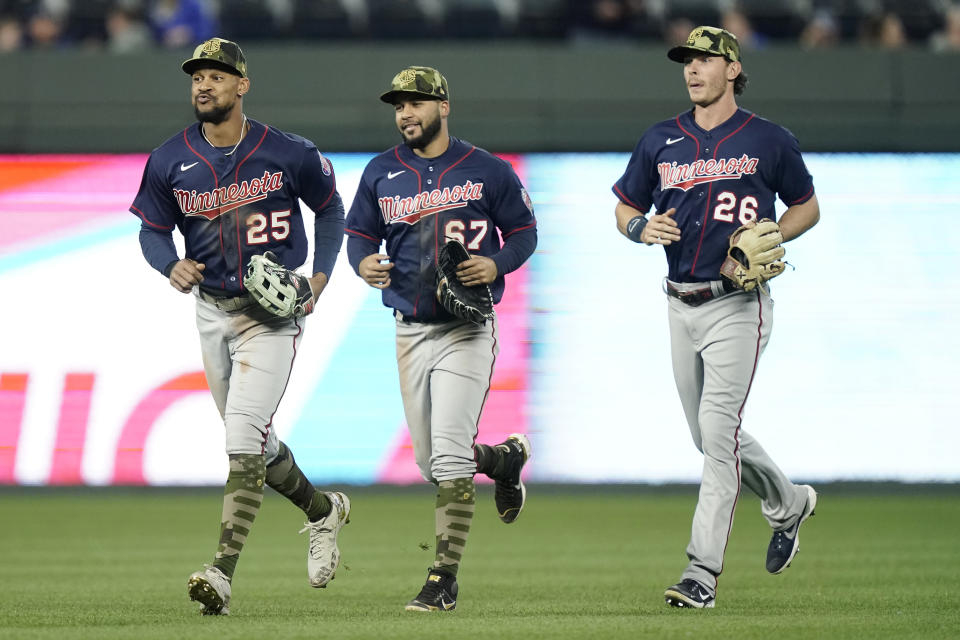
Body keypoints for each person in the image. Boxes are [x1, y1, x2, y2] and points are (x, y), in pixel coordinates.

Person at [129, 37, 350, 615]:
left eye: (218, 75)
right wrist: (167, 262)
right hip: (211, 309)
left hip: (271, 315)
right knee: (256, 441)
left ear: (242, 85)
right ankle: (323, 510)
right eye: (197, 76)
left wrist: (320, 280)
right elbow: (153, 229)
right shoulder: (168, 159)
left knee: (240, 436)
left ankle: (221, 574)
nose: (205, 84)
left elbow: (330, 209)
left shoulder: (288, 152)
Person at [612, 26, 821, 609]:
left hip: (737, 305)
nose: (692, 68)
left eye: (705, 59)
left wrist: (775, 233)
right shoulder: (661, 139)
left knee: (720, 432)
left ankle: (700, 574)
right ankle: (789, 502)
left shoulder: (767, 139)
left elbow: (807, 205)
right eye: (687, 60)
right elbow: (626, 203)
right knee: (707, 436)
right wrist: (637, 226)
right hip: (679, 301)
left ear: (732, 68)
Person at [344, 66, 537, 612]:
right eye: (399, 105)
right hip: (409, 329)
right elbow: (359, 232)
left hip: (467, 330)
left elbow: (524, 233)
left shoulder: (486, 170)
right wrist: (363, 262)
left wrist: (495, 263)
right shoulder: (383, 172)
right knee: (432, 463)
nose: (406, 112)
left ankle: (443, 579)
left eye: (417, 102)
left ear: (443, 106)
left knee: (449, 458)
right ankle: (501, 462)